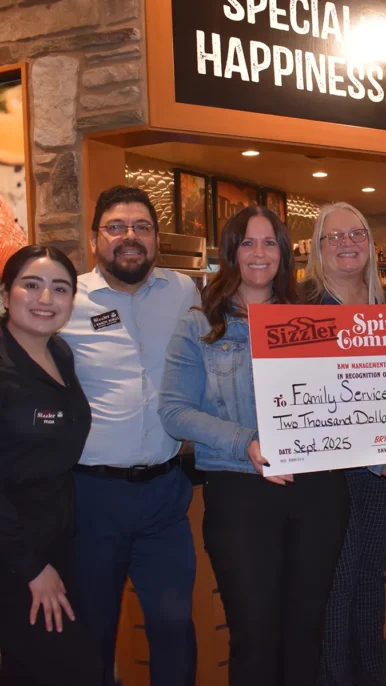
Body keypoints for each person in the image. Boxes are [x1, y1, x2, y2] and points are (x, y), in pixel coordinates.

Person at [158, 205, 350, 686]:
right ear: (231, 252)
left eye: (269, 243)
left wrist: (383, 448)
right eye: (248, 242)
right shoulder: (200, 323)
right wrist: (245, 441)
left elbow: (345, 403)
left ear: (284, 253)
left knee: (306, 633)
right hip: (241, 494)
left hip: (317, 492)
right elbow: (174, 410)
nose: (259, 253)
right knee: (254, 637)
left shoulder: (314, 319)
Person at [59, 186, 199, 686]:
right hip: (90, 498)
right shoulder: (65, 299)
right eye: (116, 227)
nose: (130, 237)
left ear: (156, 238)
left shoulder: (185, 291)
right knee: (92, 630)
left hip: (165, 493)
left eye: (141, 227)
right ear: (95, 238)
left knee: (174, 623)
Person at [303, 202, 386, 686]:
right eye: (336, 236)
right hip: (328, 480)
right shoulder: (301, 309)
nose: (347, 243)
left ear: (370, 245)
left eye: (358, 234)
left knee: (371, 582)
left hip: (380, 478)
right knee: (338, 586)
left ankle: (373, 674)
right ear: (318, 248)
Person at [0, 246, 101, 686]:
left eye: (60, 288)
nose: (46, 298)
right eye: (31, 285)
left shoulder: (59, 353)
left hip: (58, 542)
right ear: (5, 295)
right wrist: (32, 569)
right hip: (15, 554)